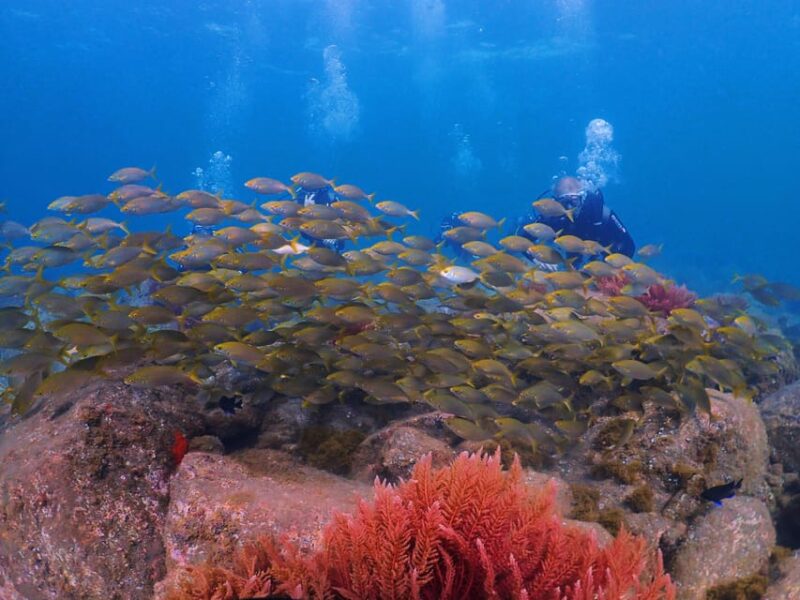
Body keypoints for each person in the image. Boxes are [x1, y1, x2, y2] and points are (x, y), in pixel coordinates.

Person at [517, 176, 634, 259]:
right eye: (564, 202)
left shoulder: (598, 213)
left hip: (597, 258)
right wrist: (535, 259)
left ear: (582, 198)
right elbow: (523, 239)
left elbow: (628, 245)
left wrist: (608, 267)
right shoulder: (552, 215)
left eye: (573, 201)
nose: (569, 208)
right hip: (567, 256)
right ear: (556, 201)